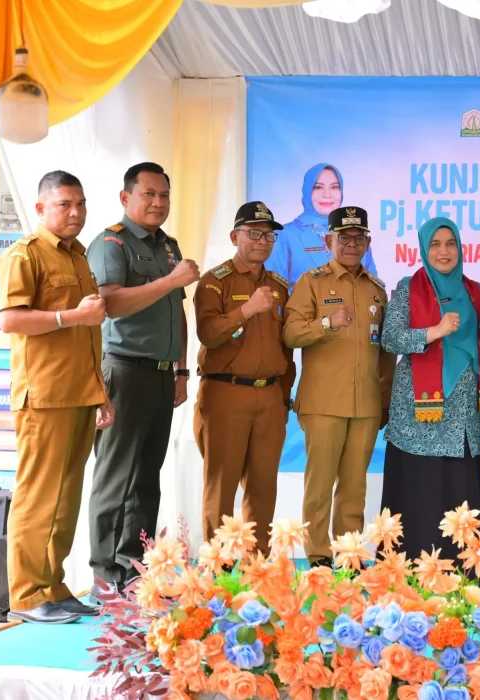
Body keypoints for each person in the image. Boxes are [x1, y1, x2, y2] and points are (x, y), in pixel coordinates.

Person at [0, 171, 115, 623]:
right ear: (42, 207)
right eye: (65, 204)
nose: (75, 212)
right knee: (37, 497)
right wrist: (69, 315)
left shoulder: (79, 256)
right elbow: (10, 319)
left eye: (81, 204)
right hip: (44, 396)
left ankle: (53, 585)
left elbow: (89, 334)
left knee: (65, 498)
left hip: (79, 393)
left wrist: (99, 391)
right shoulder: (25, 255)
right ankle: (26, 595)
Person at [85, 162, 199, 600]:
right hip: (124, 370)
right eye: (148, 194)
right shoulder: (111, 243)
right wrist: (171, 280)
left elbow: (177, 312)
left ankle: (134, 569)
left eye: (164, 196)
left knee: (147, 475)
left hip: (160, 373)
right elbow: (108, 303)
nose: (157, 203)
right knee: (116, 476)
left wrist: (181, 370)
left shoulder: (168, 246)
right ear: (125, 197)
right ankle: (103, 575)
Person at [282, 206, 395, 567]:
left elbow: (386, 353)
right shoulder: (310, 282)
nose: (350, 244)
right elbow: (290, 334)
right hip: (323, 403)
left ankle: (349, 555)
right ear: (329, 240)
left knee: (353, 488)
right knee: (319, 487)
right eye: (342, 237)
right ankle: (317, 556)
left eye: (357, 237)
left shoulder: (377, 289)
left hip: (365, 405)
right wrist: (327, 323)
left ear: (368, 242)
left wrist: (385, 399)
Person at [380, 218, 480, 560]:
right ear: (424, 248)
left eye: (450, 243)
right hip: (419, 415)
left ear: (459, 248)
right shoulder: (408, 287)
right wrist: (433, 331)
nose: (443, 251)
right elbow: (390, 338)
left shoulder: (474, 291)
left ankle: (464, 567)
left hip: (463, 413)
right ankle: (414, 566)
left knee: (458, 486)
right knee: (422, 489)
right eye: (435, 244)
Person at [193, 202, 296, 555]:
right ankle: (217, 568)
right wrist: (247, 309)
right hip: (226, 392)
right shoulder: (213, 282)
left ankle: (257, 566)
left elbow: (287, 348)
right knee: (220, 486)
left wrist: (284, 397)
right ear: (234, 236)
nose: (263, 241)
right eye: (254, 233)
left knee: (264, 486)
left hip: (269, 396)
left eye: (269, 235)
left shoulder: (281, 286)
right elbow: (208, 334)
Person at [267, 164, 377, 293]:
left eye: (334, 187)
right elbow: (275, 295)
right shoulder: (284, 236)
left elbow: (373, 292)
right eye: (318, 187)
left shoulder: (358, 237)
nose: (327, 194)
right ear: (307, 190)